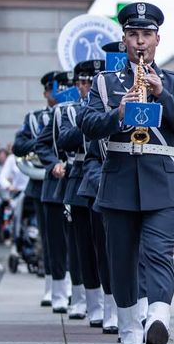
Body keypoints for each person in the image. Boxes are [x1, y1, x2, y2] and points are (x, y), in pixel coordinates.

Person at [78, 2, 174, 344]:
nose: (140, 42)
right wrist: (117, 113)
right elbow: (86, 125)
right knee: (121, 259)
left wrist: (161, 93)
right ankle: (131, 327)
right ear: (124, 38)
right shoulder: (104, 83)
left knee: (158, 254)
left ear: (157, 39)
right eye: (133, 34)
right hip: (118, 179)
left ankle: (158, 318)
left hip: (161, 180)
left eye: (146, 35)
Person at [56, 59, 108, 325]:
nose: (87, 86)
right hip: (79, 180)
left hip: (105, 176)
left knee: (105, 244)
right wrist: (87, 121)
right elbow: (62, 141)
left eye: (92, 81)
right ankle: (91, 303)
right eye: (84, 82)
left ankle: (111, 303)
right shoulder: (69, 111)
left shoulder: (107, 105)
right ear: (77, 85)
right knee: (83, 247)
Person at [13, 75, 56, 305]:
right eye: (50, 91)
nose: (54, 94)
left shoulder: (71, 113)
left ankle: (72, 285)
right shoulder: (34, 118)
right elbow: (18, 146)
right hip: (40, 181)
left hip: (67, 178)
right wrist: (42, 142)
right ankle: (51, 284)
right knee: (47, 236)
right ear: (45, 93)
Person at [38, 71, 76, 315]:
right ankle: (59, 292)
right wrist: (54, 164)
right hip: (56, 185)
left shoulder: (88, 110)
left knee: (80, 244)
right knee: (56, 243)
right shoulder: (54, 115)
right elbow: (41, 144)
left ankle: (81, 291)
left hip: (80, 182)